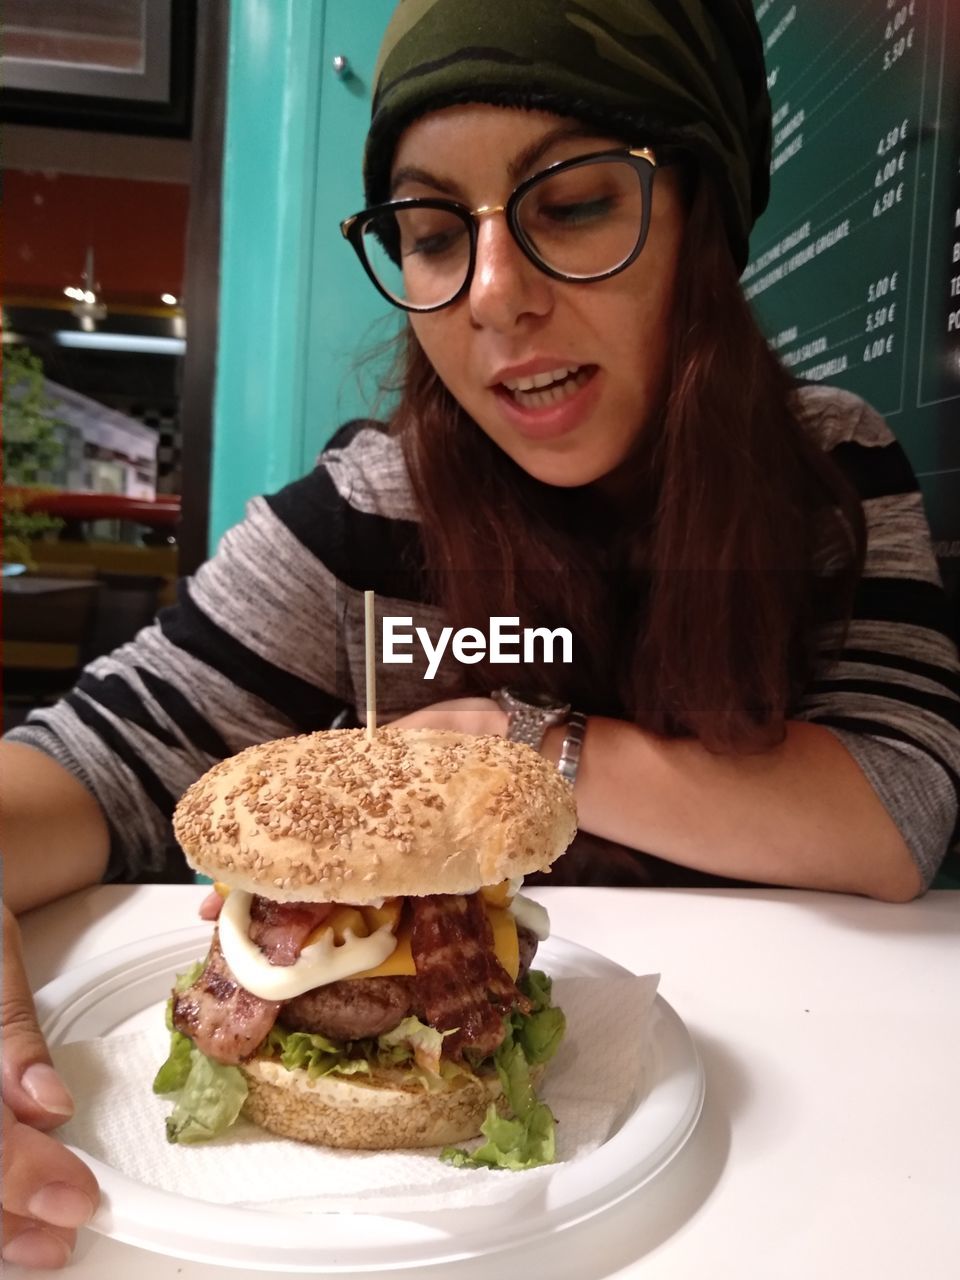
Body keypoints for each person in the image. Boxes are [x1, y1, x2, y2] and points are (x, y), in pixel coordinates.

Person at [3, 0, 959, 1267]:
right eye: (433, 232)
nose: (494, 299)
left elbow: (895, 812)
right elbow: (91, 758)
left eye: (572, 206)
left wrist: (520, 743)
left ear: (703, 221)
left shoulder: (827, 468)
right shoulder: (365, 506)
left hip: (804, 1153)